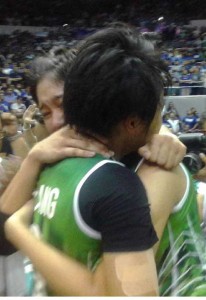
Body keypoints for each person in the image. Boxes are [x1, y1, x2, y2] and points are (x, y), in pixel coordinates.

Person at [4, 25, 173, 296]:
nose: (57, 120)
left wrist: (160, 131)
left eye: (63, 103)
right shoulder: (47, 159)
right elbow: (2, 241)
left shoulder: (128, 165)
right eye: (45, 112)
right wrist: (33, 159)